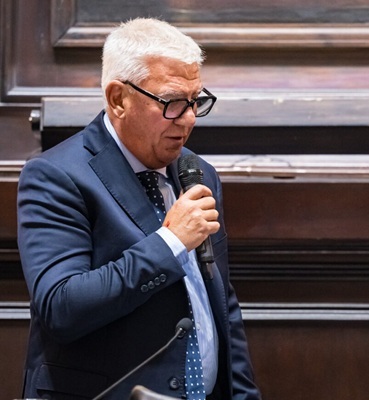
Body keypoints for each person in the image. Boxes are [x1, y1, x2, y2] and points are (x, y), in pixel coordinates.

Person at [17, 18, 260, 399]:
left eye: (195, 101)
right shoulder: (56, 176)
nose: (189, 118)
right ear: (118, 99)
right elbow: (62, 308)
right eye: (172, 102)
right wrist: (170, 242)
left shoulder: (197, 173)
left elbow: (220, 303)